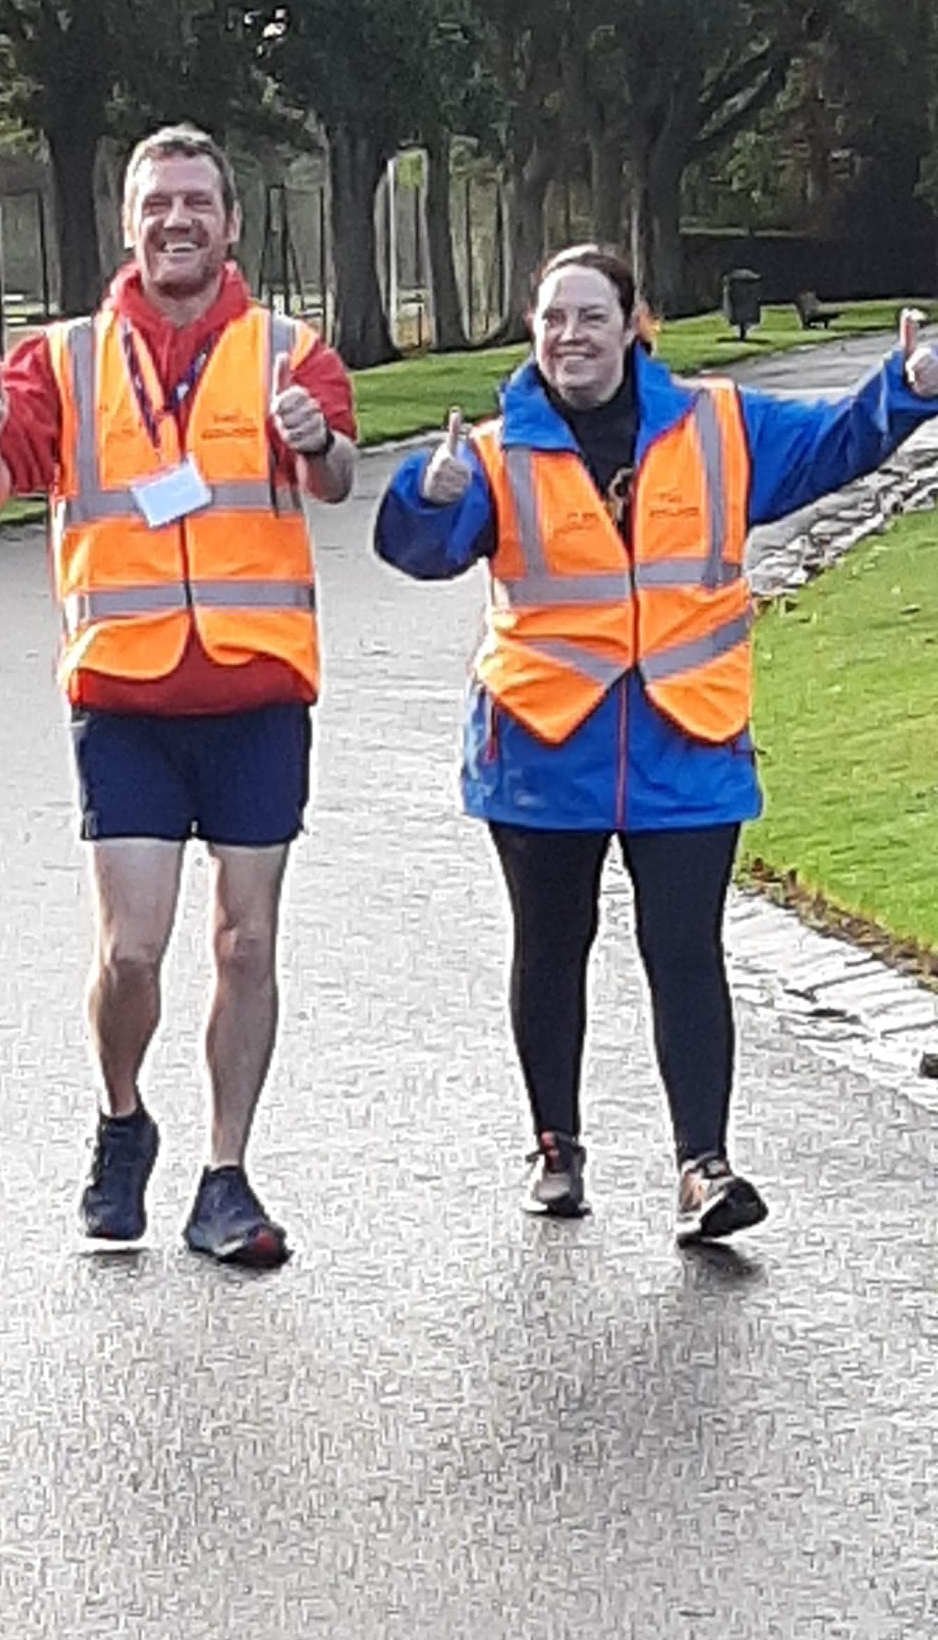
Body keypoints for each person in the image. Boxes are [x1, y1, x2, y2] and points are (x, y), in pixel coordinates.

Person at [374, 243, 938, 1243]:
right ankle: (556, 1148)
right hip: (543, 746)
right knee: (551, 948)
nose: (570, 337)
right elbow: (420, 549)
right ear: (532, 330)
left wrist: (906, 388)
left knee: (684, 951)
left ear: (633, 327)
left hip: (688, 738)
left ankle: (702, 1170)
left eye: (591, 317)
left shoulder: (719, 425)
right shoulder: (496, 453)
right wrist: (429, 491)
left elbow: (831, 445)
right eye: (552, 319)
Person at [0, 123, 357, 1266]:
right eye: (156, 205)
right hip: (124, 694)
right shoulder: (62, 360)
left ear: (231, 224)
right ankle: (122, 1116)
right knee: (131, 952)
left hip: (255, 689)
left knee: (245, 941)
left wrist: (316, 440)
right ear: (127, 226)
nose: (177, 221)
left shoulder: (288, 352)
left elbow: (333, 478)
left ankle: (226, 1175)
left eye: (196, 203)